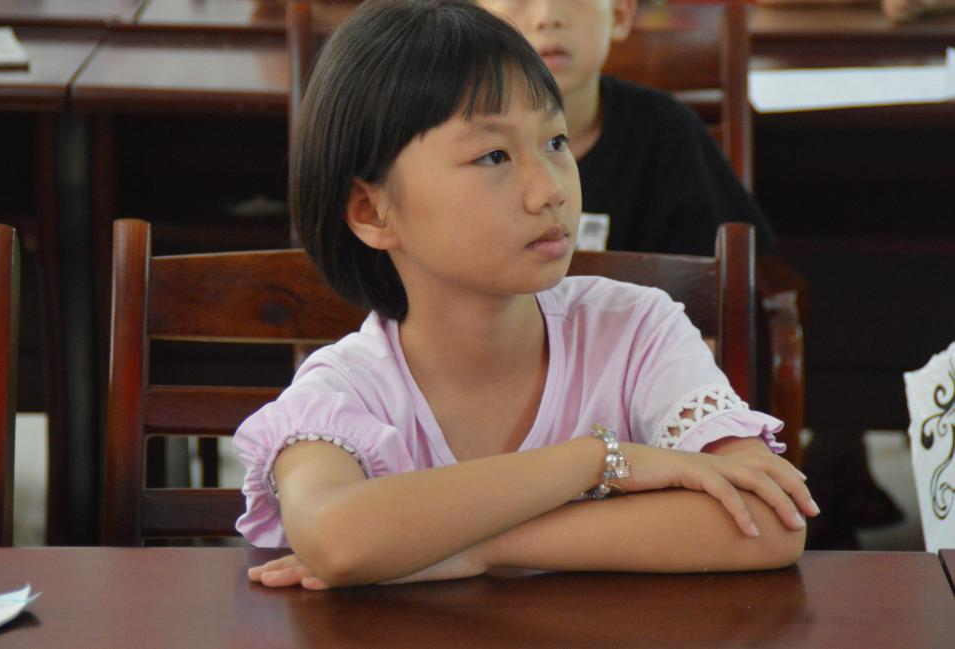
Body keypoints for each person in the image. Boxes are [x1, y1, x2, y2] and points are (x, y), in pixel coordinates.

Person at [236, 0, 817, 590]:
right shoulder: (345, 391)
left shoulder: (635, 330)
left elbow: (773, 519)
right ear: (371, 210)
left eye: (556, 142)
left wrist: (480, 548)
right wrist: (597, 460)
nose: (550, 190)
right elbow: (336, 539)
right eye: (494, 155)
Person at [475, 0, 776, 256]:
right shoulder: (457, 139)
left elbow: (736, 277)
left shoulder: (667, 130)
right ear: (475, 18)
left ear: (619, 14)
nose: (547, 17)